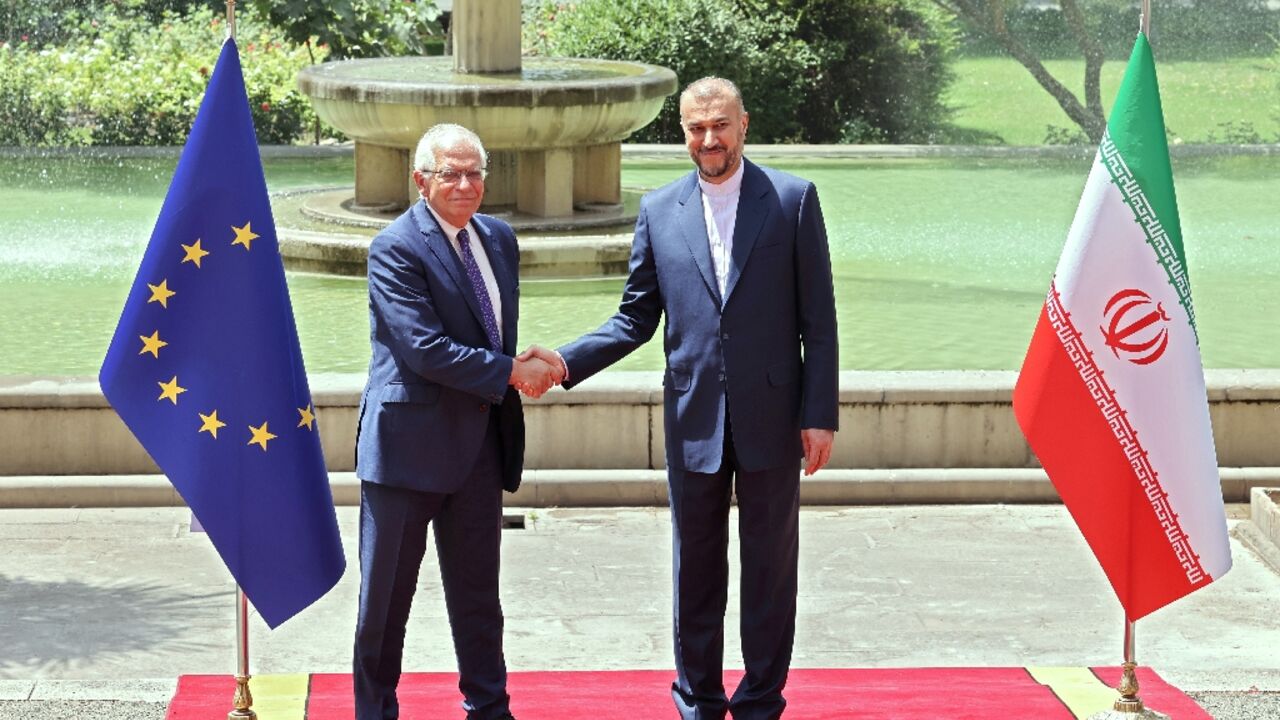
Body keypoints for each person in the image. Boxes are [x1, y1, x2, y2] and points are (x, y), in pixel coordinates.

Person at [524, 77, 838, 719]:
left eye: (720, 125)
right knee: (694, 568)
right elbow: (633, 319)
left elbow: (820, 321)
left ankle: (759, 699)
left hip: (774, 419)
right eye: (696, 128)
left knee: (770, 572)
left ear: (743, 124)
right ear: (684, 133)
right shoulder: (658, 210)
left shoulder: (792, 200)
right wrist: (563, 361)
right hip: (693, 418)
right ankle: (697, 698)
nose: (709, 139)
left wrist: (819, 416)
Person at [353, 123, 558, 720]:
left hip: (479, 449)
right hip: (406, 453)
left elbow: (492, 333)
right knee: (386, 604)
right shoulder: (394, 247)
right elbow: (423, 348)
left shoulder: (499, 239)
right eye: (451, 173)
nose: (466, 185)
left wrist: (512, 368)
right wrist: (511, 374)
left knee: (478, 598)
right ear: (422, 181)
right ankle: (375, 713)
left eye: (475, 173)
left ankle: (489, 710)